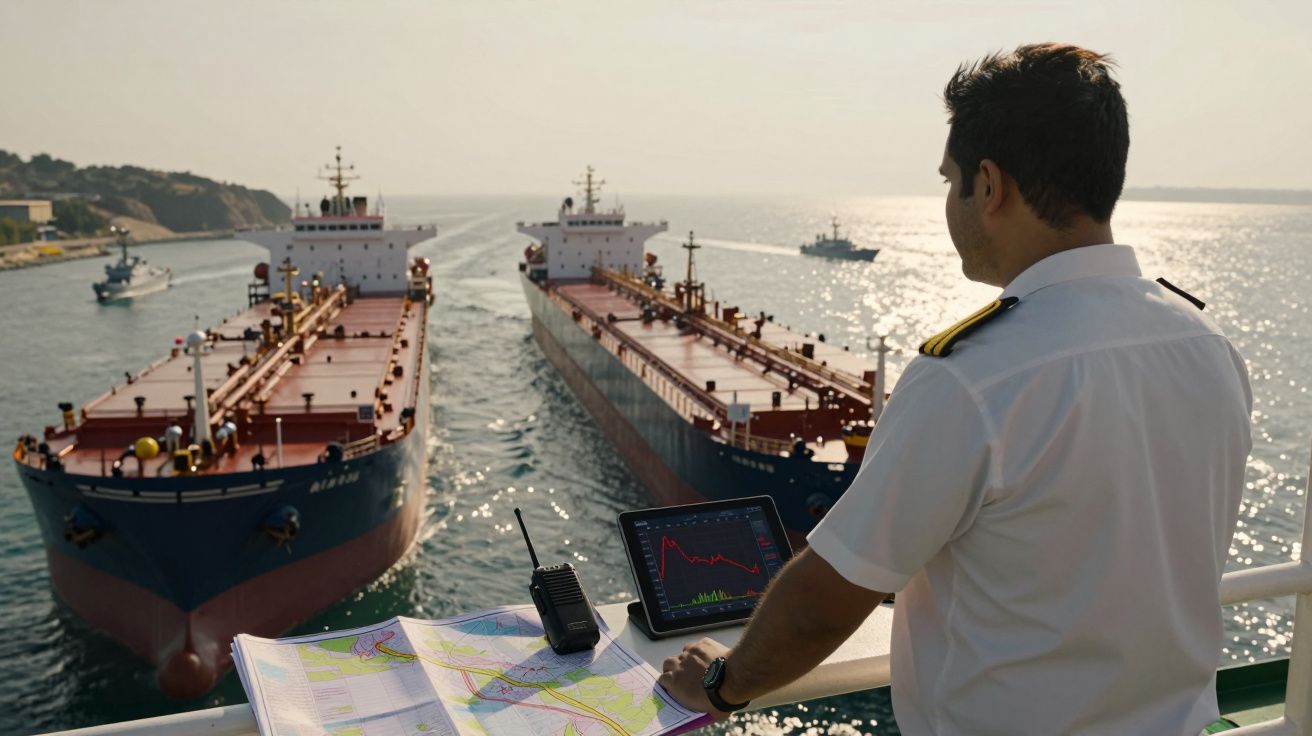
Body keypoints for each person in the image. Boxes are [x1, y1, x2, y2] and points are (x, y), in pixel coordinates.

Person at [658, 43, 1253, 735]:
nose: (950, 202)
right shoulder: (1208, 347)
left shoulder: (973, 381)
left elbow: (829, 598)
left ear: (990, 185)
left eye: (952, 181)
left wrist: (723, 686)